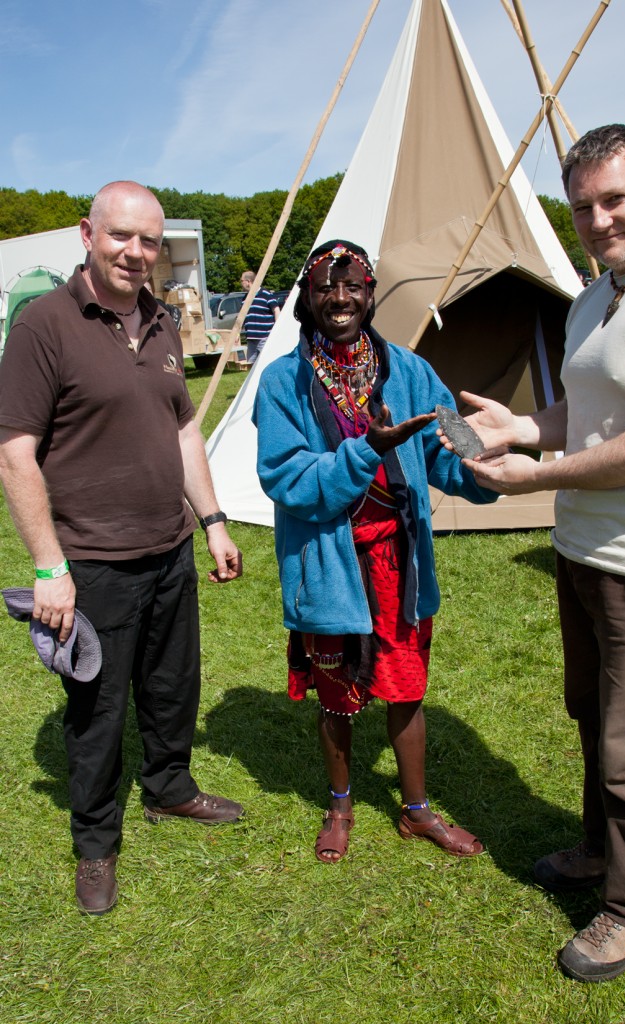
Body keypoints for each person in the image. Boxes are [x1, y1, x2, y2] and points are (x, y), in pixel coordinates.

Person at [444, 126, 625, 982]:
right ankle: (595, 850)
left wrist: (535, 472)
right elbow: (585, 413)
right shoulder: (595, 293)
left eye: (614, 199)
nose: (598, 219)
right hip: (583, 548)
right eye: (581, 206)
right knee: (590, 715)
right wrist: (521, 426)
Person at [0, 181, 245, 916]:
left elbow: (181, 431)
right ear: (88, 233)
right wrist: (50, 568)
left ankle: (169, 789)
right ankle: (95, 843)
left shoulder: (163, 323)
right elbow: (15, 452)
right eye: (121, 237)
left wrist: (212, 520)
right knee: (97, 709)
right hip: (94, 564)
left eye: (149, 241)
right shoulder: (44, 326)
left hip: (169, 548)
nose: (136, 253)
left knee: (173, 689)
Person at [253, 239, 496, 864]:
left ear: (369, 294)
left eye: (353, 285)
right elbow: (286, 479)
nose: (340, 299)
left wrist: (495, 460)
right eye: (325, 288)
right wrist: (369, 449)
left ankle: (415, 810)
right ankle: (340, 804)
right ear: (307, 299)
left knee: (407, 684)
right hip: (330, 562)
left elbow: (449, 443)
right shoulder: (284, 381)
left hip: (400, 560)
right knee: (338, 693)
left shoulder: (409, 371)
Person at [239, 270, 280, 368]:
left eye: (242, 281)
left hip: (264, 338)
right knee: (251, 368)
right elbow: (242, 316)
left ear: (248, 281)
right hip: (251, 339)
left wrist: (277, 329)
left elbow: (276, 310)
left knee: (267, 365)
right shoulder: (245, 298)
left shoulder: (266, 294)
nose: (241, 283)